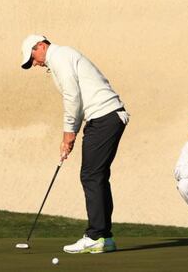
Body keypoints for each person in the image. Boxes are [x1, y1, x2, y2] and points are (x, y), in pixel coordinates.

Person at [20, 34, 129, 254]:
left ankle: (96, 235)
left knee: (91, 175)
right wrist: (73, 132)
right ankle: (104, 238)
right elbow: (76, 98)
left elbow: (72, 97)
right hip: (106, 117)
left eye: (33, 57)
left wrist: (69, 133)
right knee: (97, 175)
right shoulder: (62, 57)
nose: (35, 64)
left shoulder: (60, 56)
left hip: (104, 117)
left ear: (41, 46)